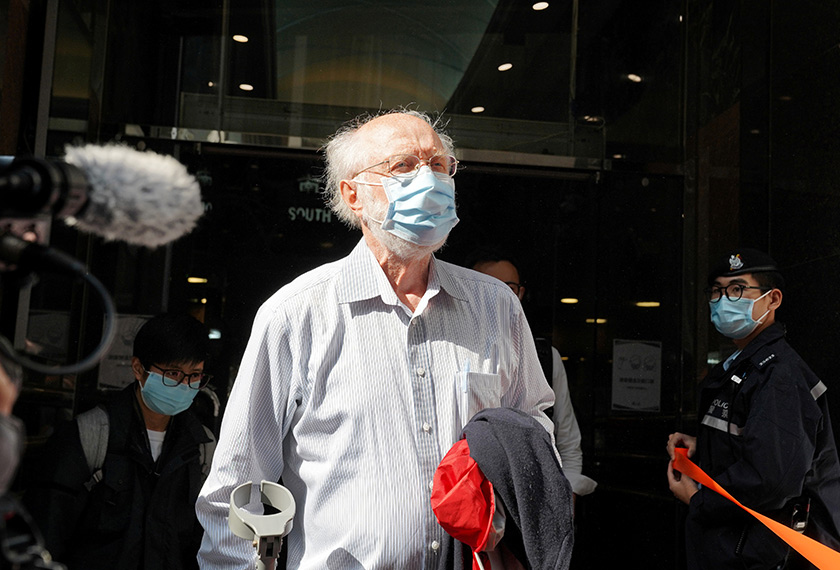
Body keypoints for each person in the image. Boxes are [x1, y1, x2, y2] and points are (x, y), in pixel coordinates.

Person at [196, 109, 558, 569]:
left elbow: (533, 429)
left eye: (440, 165)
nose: (429, 179)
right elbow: (236, 495)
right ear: (353, 195)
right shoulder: (296, 315)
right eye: (403, 166)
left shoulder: (496, 306)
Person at [666, 248, 840, 570]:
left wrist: (697, 499)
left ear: (773, 300)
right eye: (716, 291)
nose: (722, 301)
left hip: (760, 553)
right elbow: (751, 441)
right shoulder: (741, 366)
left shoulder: (780, 375)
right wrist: (702, 447)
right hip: (733, 546)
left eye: (737, 290)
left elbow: (770, 479)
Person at [24, 313, 215, 570]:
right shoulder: (90, 436)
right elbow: (47, 531)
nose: (185, 385)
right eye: (173, 373)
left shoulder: (202, 447)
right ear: (138, 368)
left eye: (195, 376)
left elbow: (205, 540)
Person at [468, 248, 597, 498]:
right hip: (468, 499)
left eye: (509, 287)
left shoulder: (546, 357)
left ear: (521, 293)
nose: (500, 296)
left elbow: (567, 439)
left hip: (533, 503)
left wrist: (566, 499)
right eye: (488, 286)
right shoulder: (450, 350)